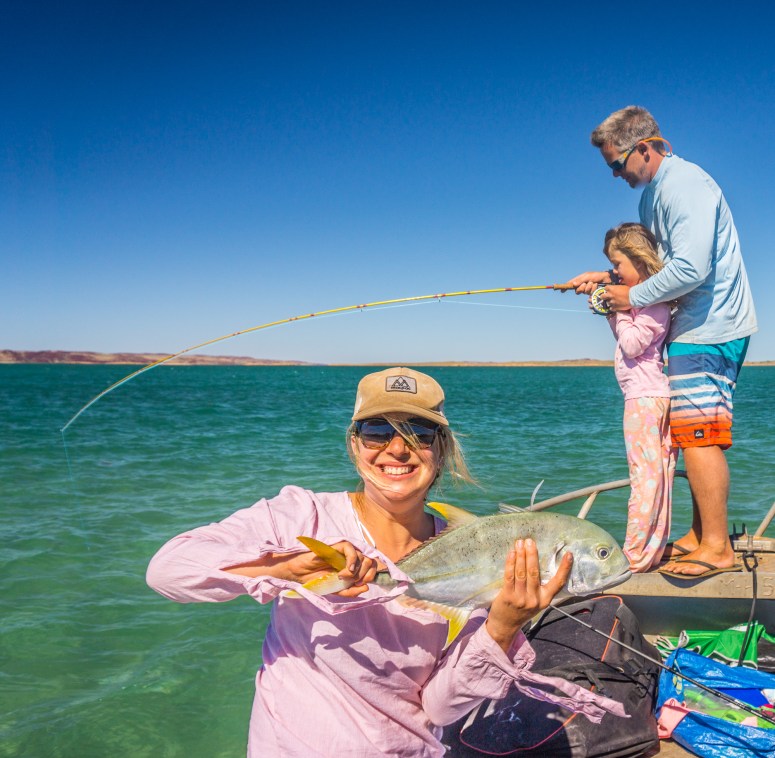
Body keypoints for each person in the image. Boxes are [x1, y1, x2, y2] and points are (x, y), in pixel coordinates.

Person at [146, 367, 623, 757]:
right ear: (354, 444)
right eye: (378, 432)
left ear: (441, 451)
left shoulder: (482, 553)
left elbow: (440, 709)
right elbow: (169, 571)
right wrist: (283, 569)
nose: (396, 449)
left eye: (418, 434)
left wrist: (503, 623)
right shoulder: (302, 515)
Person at [566, 106, 757, 578]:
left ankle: (716, 547)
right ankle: (699, 535)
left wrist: (628, 296)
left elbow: (691, 268)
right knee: (690, 434)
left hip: (712, 326)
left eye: (617, 164)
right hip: (690, 326)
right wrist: (609, 277)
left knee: (700, 436)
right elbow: (658, 263)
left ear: (645, 148)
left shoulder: (683, 185)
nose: (615, 174)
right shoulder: (654, 197)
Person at [599, 222, 677, 572]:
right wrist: (614, 304)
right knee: (658, 476)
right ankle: (649, 552)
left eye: (618, 264)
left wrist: (615, 310)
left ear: (639, 260)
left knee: (645, 479)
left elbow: (631, 344)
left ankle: (633, 554)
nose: (615, 271)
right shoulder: (649, 301)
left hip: (643, 401)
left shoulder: (653, 303)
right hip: (653, 397)